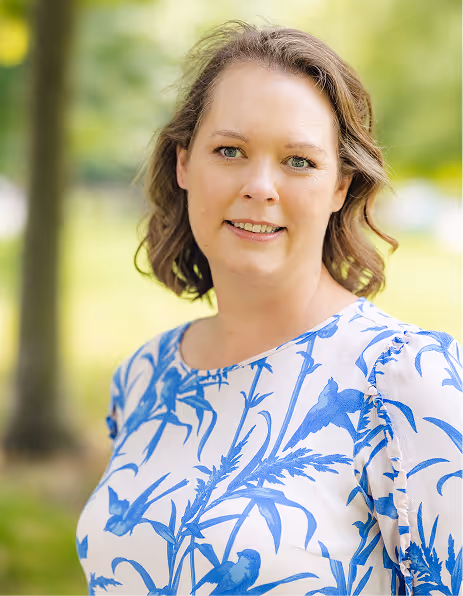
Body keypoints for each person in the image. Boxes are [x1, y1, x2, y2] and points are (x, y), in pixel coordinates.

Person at [76, 21, 462, 596]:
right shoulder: (144, 376)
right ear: (185, 164)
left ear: (340, 185)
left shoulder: (406, 380)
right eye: (229, 150)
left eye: (299, 161)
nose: (260, 186)